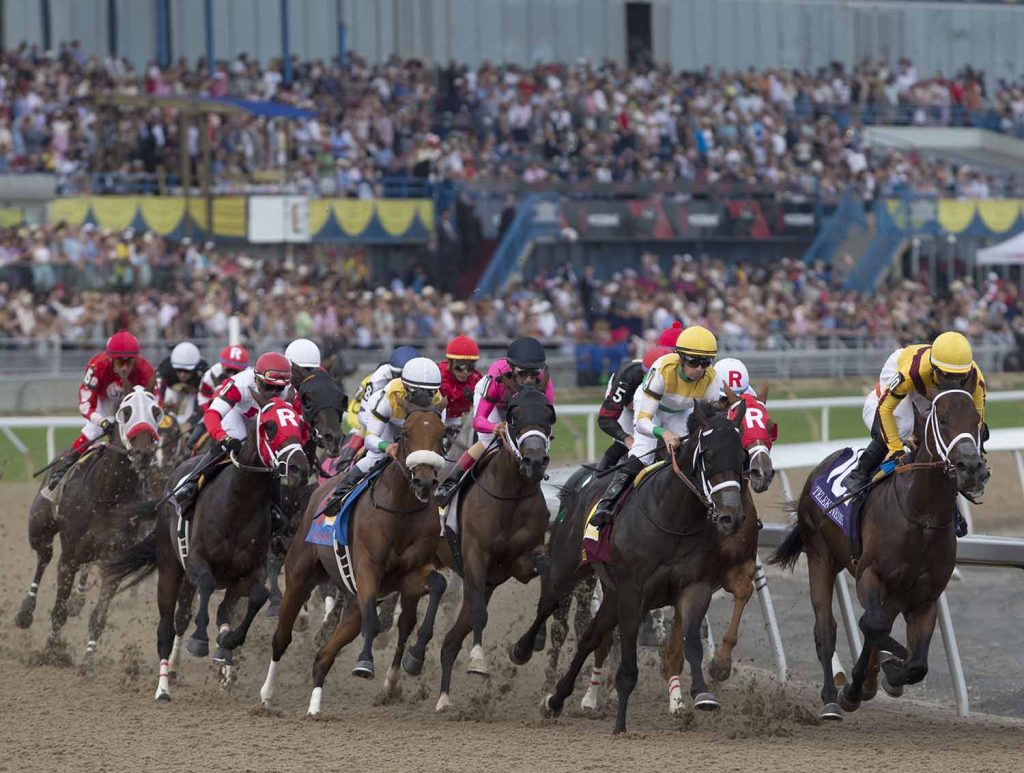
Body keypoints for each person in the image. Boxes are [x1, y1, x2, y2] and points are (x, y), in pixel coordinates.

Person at [845, 332, 987, 524]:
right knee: (903, 426)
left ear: (967, 372)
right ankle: (859, 474)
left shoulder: (975, 379)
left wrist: (974, 457)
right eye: (946, 375)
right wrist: (896, 450)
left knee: (940, 432)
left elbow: (976, 420)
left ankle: (949, 506)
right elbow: (885, 409)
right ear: (936, 368)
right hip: (902, 366)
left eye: (959, 378)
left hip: (927, 384)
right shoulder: (911, 372)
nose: (952, 382)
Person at [590, 326, 719, 527]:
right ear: (680, 357)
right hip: (651, 406)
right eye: (694, 361)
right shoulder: (663, 369)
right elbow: (643, 422)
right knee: (643, 451)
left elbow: (712, 418)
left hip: (680, 410)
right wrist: (663, 433)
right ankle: (607, 503)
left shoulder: (711, 378)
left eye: (706, 362)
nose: (700, 369)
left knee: (692, 451)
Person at [173, 352, 302, 535]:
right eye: (268, 387)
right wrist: (223, 437)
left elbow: (299, 423)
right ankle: (191, 483)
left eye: (278, 389)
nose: (273, 393)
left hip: (264, 420)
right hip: (238, 416)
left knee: (272, 454)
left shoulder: (291, 393)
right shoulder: (239, 383)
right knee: (231, 443)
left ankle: (275, 507)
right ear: (256, 380)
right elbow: (212, 415)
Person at [435, 336, 555, 507]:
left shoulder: (544, 381)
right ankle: (450, 482)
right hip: (496, 403)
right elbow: (479, 421)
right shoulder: (495, 377)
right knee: (488, 441)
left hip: (519, 405)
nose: (529, 380)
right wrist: (495, 427)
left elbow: (547, 419)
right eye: (522, 374)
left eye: (533, 374)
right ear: (512, 369)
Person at [42, 330, 155, 500]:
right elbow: (86, 404)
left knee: (142, 437)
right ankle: (62, 472)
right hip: (103, 399)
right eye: (119, 362)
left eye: (129, 362)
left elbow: (153, 405)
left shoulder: (145, 370)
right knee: (93, 431)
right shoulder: (97, 367)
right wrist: (102, 422)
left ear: (135, 360)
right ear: (111, 359)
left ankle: (149, 479)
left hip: (133, 400)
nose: (124, 367)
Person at [322, 357, 444, 513]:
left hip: (415, 429)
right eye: (417, 392)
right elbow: (370, 440)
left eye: (429, 393)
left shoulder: (439, 402)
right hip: (389, 425)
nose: (423, 398)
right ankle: (338, 496)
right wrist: (387, 446)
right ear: (405, 387)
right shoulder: (387, 398)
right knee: (375, 457)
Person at [337, 345, 420, 465]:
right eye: (400, 377)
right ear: (392, 372)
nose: (404, 384)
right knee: (376, 451)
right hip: (370, 419)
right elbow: (365, 418)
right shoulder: (377, 381)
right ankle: (347, 465)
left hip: (401, 418)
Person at [596, 345, 672, 471]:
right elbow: (605, 419)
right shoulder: (627, 378)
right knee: (631, 443)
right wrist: (626, 439)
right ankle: (598, 479)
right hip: (626, 401)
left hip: (651, 401)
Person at [438, 335, 483, 443]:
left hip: (459, 420)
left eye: (470, 368)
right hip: (436, 418)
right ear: (450, 363)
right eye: (460, 367)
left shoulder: (477, 380)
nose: (465, 372)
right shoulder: (438, 376)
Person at [154, 341, 208, 430]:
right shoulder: (166, 367)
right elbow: (158, 391)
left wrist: (191, 422)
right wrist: (162, 409)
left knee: (188, 421)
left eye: (187, 371)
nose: (182, 374)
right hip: (171, 390)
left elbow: (204, 400)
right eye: (179, 370)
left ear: (195, 367)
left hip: (194, 394)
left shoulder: (203, 371)